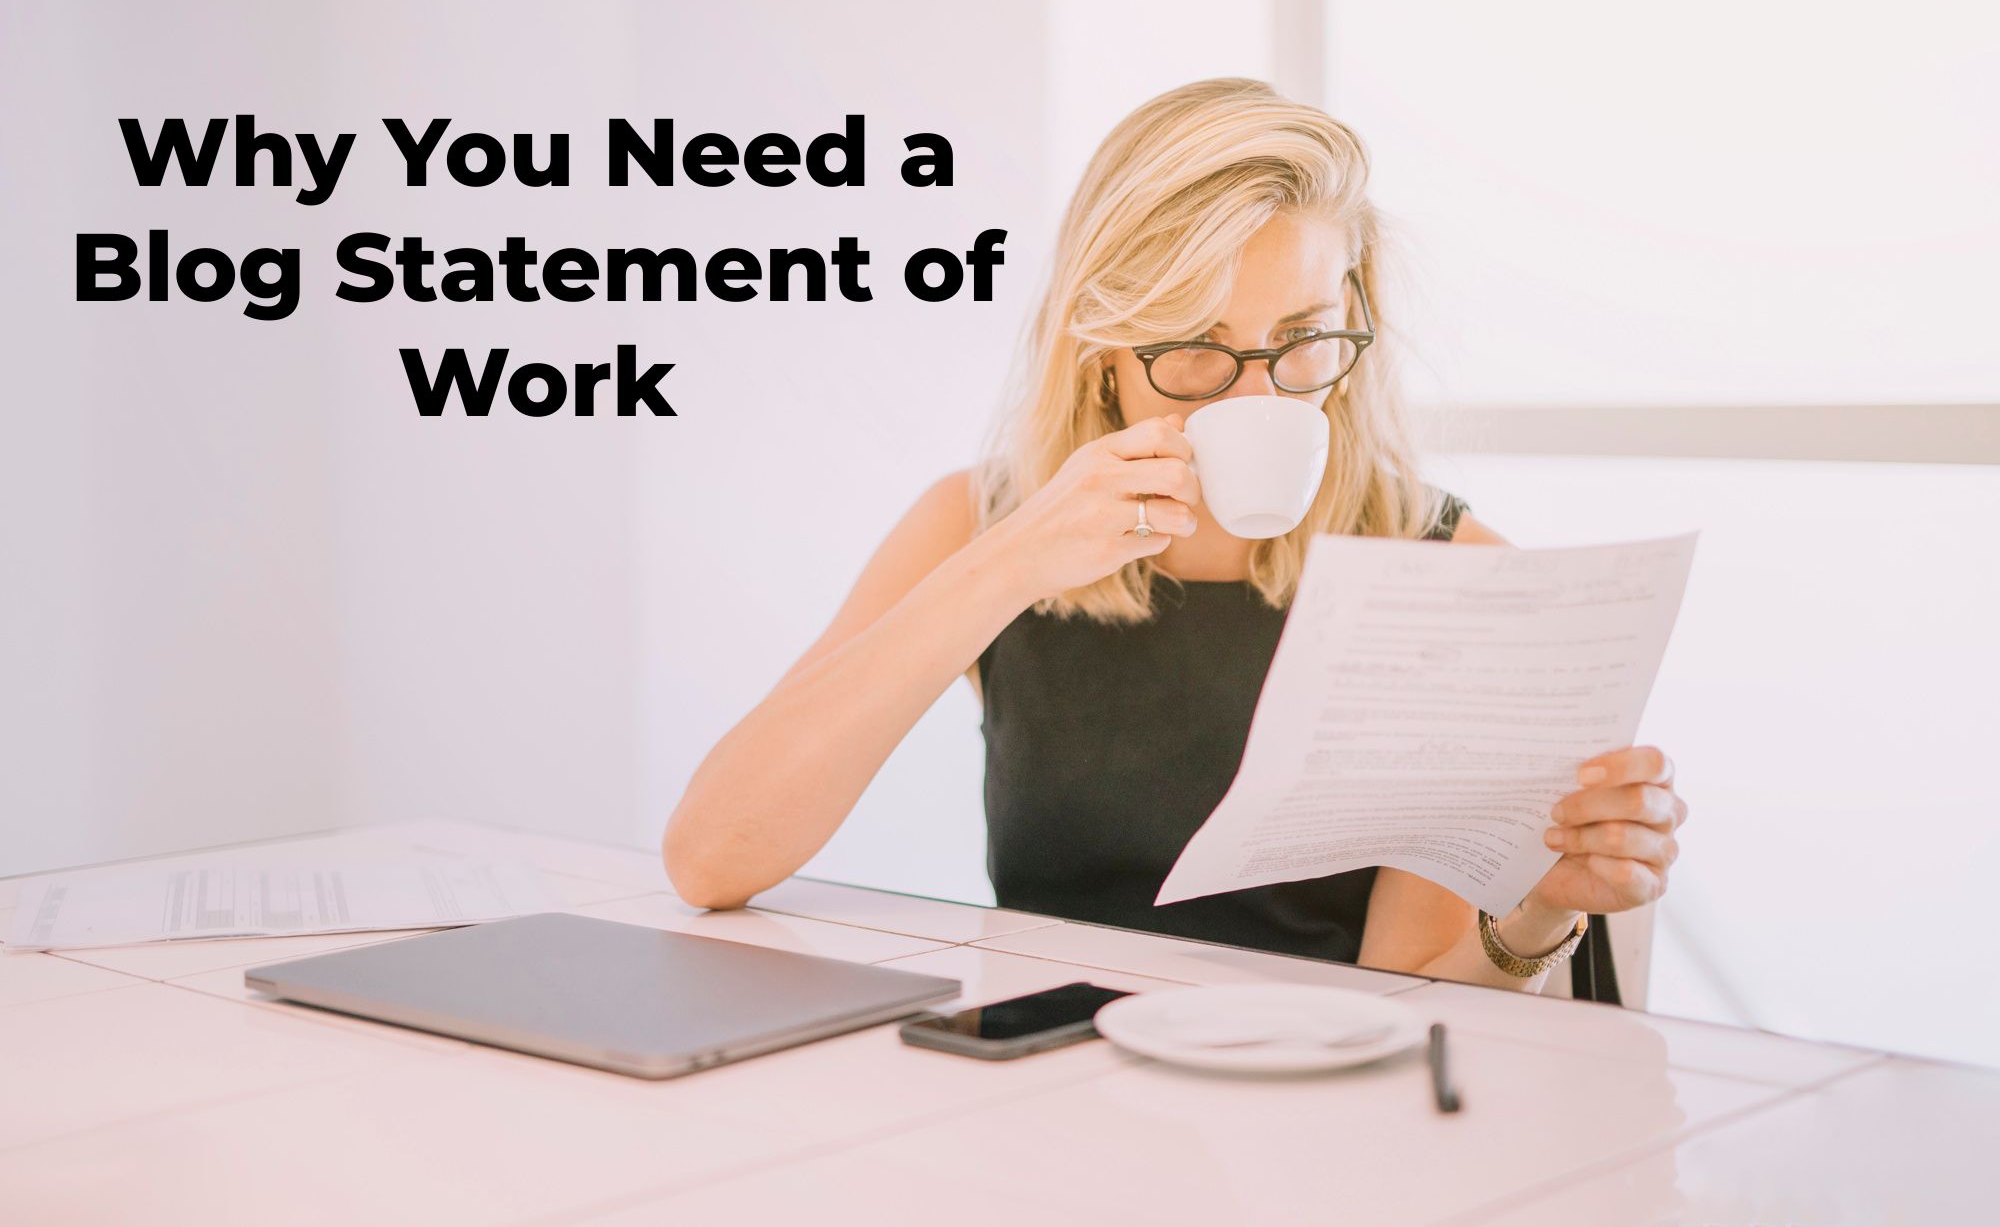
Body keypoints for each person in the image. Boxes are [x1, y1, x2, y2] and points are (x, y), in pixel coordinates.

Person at [664, 78, 1687, 993]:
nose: (1256, 393)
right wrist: (1010, 559)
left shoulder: (1444, 573)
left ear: (1353, 313)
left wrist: (1540, 911)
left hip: (1306, 1118)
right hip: (1043, 1094)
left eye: (1299, 339)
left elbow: (1405, 989)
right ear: (1098, 344)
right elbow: (711, 856)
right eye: (1195, 349)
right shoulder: (975, 525)